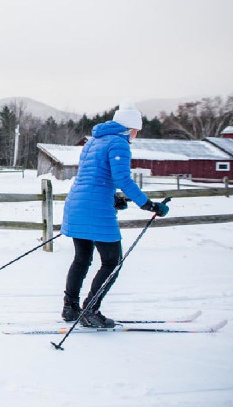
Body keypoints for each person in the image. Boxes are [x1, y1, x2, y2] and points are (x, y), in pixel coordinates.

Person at [60, 101, 169, 328]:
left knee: (82, 259)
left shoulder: (93, 141)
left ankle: (70, 308)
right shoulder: (119, 143)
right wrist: (149, 205)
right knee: (112, 262)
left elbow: (94, 176)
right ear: (130, 128)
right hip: (95, 210)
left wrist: (112, 198)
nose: (136, 135)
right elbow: (123, 179)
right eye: (137, 130)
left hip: (77, 204)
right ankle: (91, 311)